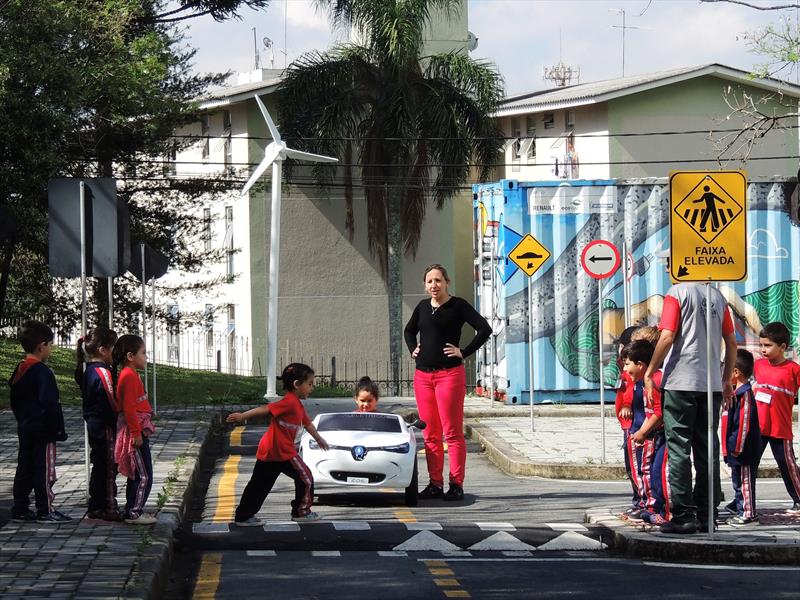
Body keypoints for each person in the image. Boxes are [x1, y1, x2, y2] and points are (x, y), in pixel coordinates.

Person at [644, 280, 736, 534]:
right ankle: (708, 513)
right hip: (711, 385)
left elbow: (667, 336)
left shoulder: (677, 293)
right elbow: (732, 342)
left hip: (681, 381)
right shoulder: (717, 296)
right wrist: (726, 379)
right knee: (708, 448)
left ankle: (684, 514)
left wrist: (650, 371)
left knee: (679, 450)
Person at [404, 264, 491, 501]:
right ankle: (434, 483)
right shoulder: (422, 307)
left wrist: (464, 351)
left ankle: (456, 483)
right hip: (423, 377)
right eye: (430, 281)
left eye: (438, 281)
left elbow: (484, 329)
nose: (434, 285)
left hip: (449, 376)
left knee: (451, 433)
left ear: (446, 282)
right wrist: (414, 349)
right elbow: (408, 331)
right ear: (425, 284)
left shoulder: (458, 305)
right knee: (430, 434)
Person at [227, 363, 329, 526]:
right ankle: (301, 512)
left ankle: (243, 516)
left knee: (258, 485)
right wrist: (243, 416)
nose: (312, 388)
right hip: (282, 452)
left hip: (269, 451)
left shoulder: (297, 404)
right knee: (306, 478)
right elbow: (266, 409)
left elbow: (307, 423)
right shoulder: (289, 402)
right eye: (310, 384)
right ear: (296, 384)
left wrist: (318, 439)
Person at [9, 320, 71, 524]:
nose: (51, 348)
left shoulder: (20, 369)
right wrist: (58, 429)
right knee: (44, 470)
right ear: (41, 346)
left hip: (25, 426)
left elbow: (15, 399)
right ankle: (46, 509)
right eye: (51, 344)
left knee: (24, 467)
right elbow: (50, 403)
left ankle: (20, 507)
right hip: (43, 430)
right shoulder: (42, 372)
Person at [752, 322, 800, 514]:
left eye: (768, 345)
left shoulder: (793, 369)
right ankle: (744, 503)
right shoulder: (758, 366)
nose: (763, 350)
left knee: (787, 464)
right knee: (750, 465)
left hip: (781, 427)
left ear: (782, 347)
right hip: (759, 427)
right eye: (761, 345)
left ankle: (798, 498)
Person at [75, 326, 121, 521]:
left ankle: (96, 505)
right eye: (114, 348)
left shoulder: (88, 369)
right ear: (103, 350)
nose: (116, 353)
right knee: (109, 466)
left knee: (100, 464)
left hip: (94, 423)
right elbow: (111, 400)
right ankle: (108, 506)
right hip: (104, 425)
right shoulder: (102, 372)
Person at [113, 334, 157, 525]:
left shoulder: (130, 375)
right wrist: (136, 432)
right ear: (131, 356)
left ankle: (132, 508)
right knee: (144, 475)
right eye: (143, 353)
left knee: (139, 473)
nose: (146, 357)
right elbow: (129, 408)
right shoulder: (128, 376)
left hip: (137, 430)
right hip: (135, 433)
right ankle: (134, 512)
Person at [626, 340, 670, 526]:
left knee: (660, 472)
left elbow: (658, 413)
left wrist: (643, 432)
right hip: (657, 435)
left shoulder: (655, 381)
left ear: (641, 365)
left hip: (664, 436)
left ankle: (664, 512)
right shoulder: (646, 383)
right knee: (653, 470)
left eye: (628, 364)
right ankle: (655, 509)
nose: (626, 370)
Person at [721, 349, 761, 526]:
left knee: (744, 482)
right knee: (738, 481)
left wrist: (737, 447)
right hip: (735, 448)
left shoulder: (744, 394)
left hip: (743, 449)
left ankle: (748, 513)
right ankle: (740, 509)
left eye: (725, 368)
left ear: (735, 372)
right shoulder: (735, 394)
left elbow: (744, 424)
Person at [613, 326, 642, 518]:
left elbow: (630, 391)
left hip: (631, 424)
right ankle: (638, 499)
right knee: (632, 464)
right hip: (627, 424)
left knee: (636, 465)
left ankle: (642, 501)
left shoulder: (632, 373)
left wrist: (627, 405)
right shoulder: (625, 369)